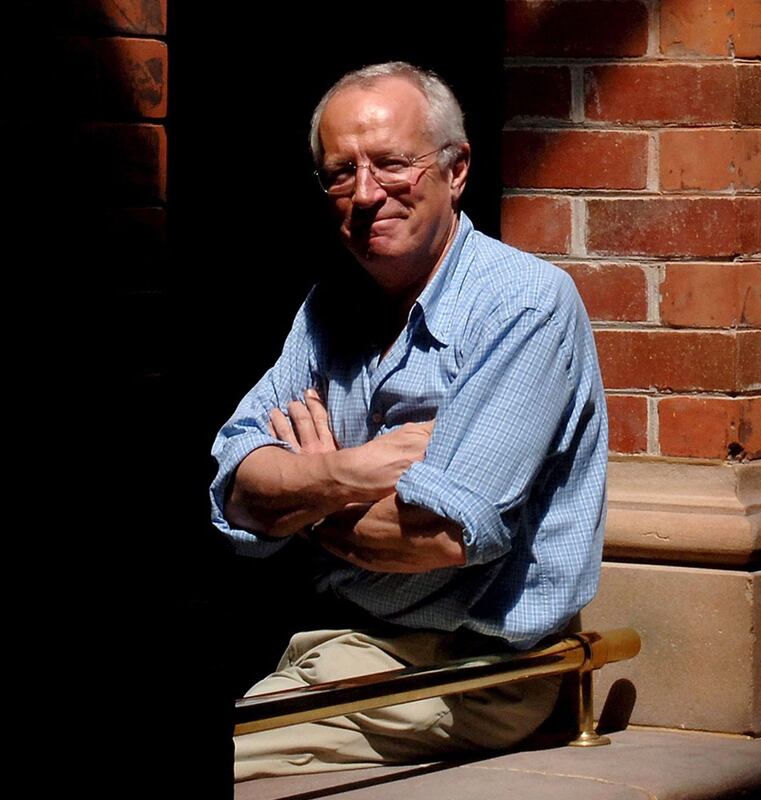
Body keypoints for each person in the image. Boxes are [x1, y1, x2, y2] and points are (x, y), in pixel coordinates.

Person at [210, 61, 608, 780]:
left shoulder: (523, 304)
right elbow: (233, 488)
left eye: (392, 164)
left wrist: (300, 497)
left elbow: (443, 537)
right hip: (335, 636)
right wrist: (348, 471)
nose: (365, 194)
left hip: (472, 668)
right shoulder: (330, 305)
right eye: (340, 173)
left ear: (456, 172)